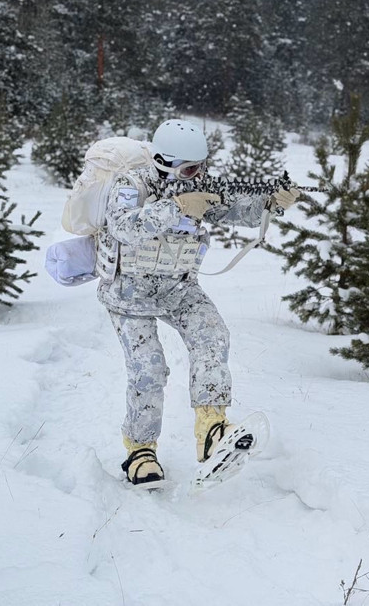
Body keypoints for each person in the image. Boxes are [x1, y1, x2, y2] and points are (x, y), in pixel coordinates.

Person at [89, 119, 299, 486]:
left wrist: (268, 203)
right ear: (164, 161)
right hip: (129, 294)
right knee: (149, 370)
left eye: (201, 166)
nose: (198, 174)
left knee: (212, 336)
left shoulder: (196, 184)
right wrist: (176, 207)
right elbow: (123, 226)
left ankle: (212, 431)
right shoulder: (130, 184)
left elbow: (231, 209)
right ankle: (140, 451)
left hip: (178, 288)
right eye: (189, 168)